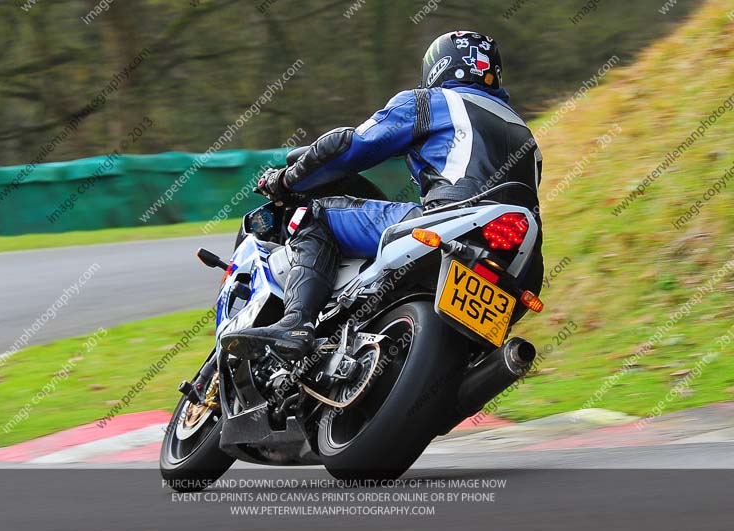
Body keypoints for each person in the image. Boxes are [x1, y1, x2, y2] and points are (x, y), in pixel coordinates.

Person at [221, 30, 544, 362]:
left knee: (315, 215)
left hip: (450, 219)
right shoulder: (525, 134)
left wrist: (286, 180)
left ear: (439, 66)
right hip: (521, 260)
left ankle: (295, 324)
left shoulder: (432, 102)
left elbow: (351, 146)